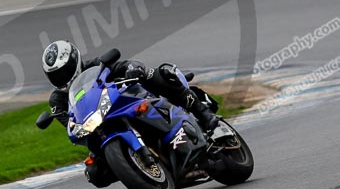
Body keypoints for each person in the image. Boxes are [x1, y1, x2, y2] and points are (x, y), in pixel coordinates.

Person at [41, 40, 220, 134]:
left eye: (64, 72)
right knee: (95, 174)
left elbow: (123, 65)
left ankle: (203, 113)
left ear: (75, 61)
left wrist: (133, 69)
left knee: (160, 73)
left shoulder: (96, 66)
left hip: (131, 100)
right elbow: (71, 127)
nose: (62, 78)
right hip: (101, 125)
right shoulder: (57, 100)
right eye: (55, 76)